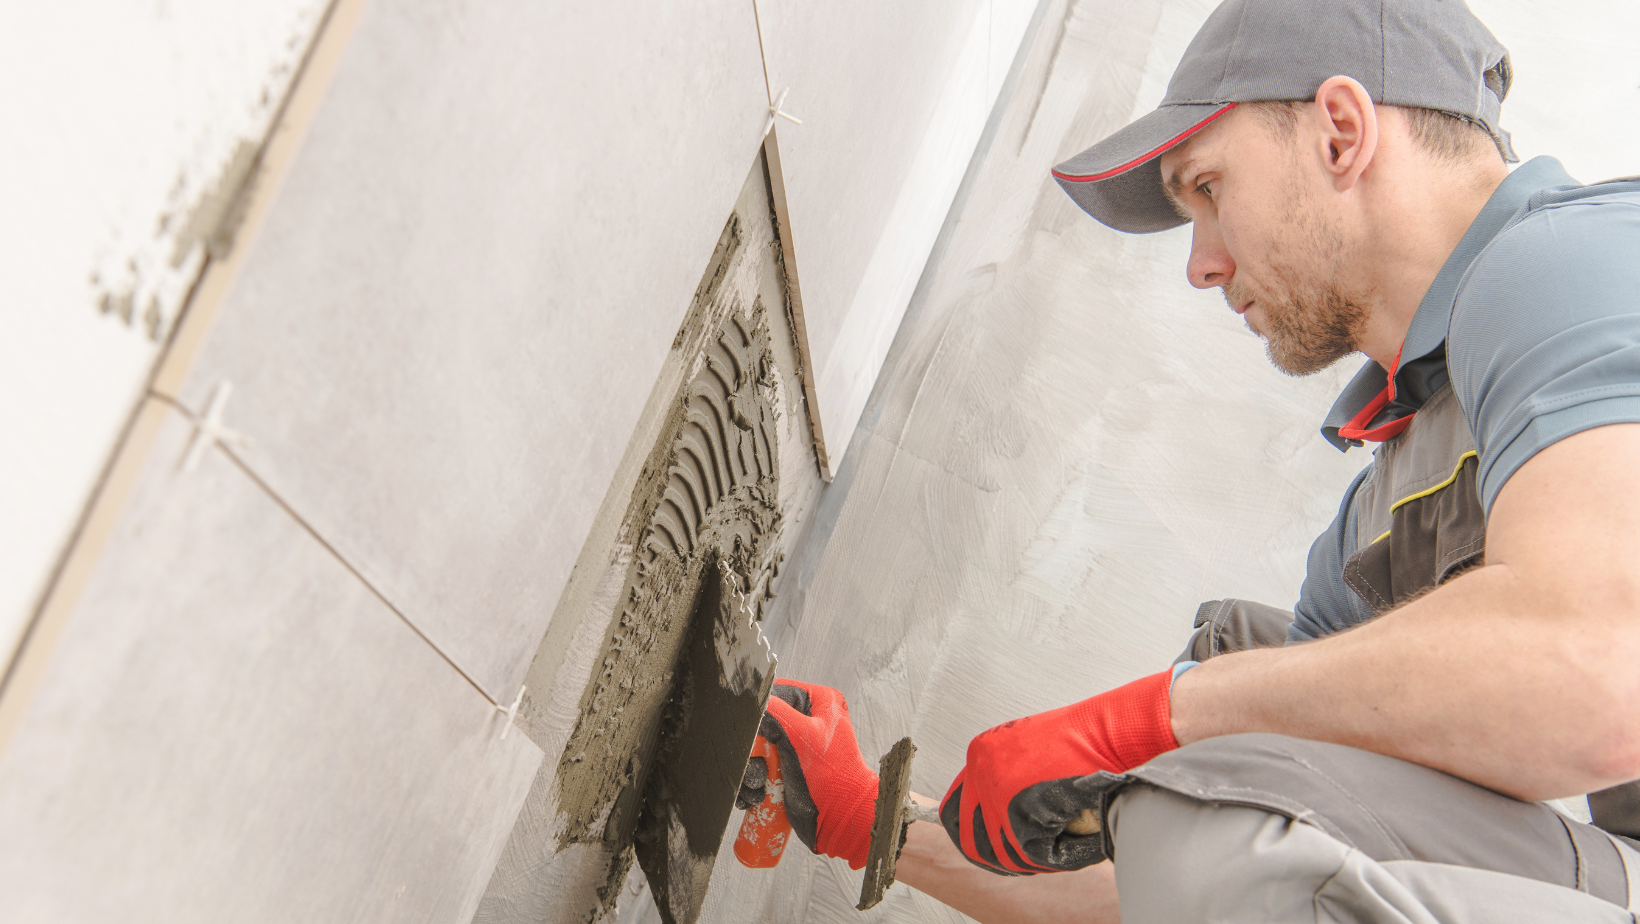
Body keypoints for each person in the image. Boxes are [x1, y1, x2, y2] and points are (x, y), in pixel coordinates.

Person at [736, 0, 1640, 919]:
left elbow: (1598, 673)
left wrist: (1153, 718)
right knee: (1243, 677)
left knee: (1219, 719)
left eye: (1207, 187)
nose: (1200, 264)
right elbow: (1169, 886)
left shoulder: (1580, 264)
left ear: (1340, 132)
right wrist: (870, 820)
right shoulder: (1387, 501)